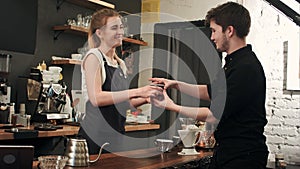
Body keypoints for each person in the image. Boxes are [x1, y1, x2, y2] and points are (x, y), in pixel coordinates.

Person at [150, 2, 268, 169]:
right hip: (227, 152)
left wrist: (171, 106)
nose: (212, 37)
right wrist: (175, 84)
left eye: (214, 31)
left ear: (229, 31)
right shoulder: (233, 63)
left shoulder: (246, 67)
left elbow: (213, 115)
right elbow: (210, 91)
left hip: (243, 157)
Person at [78, 8, 163, 154]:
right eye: (114, 28)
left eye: (121, 27)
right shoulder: (94, 57)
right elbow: (96, 98)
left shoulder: (120, 64)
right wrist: (138, 91)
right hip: (95, 136)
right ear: (100, 33)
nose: (120, 32)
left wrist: (146, 98)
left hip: (116, 135)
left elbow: (122, 105)